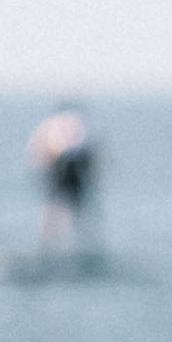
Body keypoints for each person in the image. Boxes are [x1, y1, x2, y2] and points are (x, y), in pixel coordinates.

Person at [26, 101, 98, 254]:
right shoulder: (79, 122)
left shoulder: (51, 124)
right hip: (70, 168)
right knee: (73, 208)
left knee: (54, 207)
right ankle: (78, 245)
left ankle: (50, 245)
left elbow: (39, 149)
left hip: (61, 167)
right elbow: (89, 154)